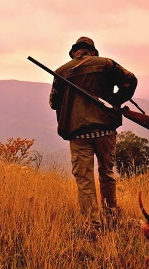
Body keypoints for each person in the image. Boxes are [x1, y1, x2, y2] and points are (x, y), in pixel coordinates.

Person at [49, 36, 137, 230]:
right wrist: (115, 100)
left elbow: (54, 103)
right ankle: (111, 216)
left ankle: (92, 225)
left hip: (79, 135)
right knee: (107, 173)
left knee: (85, 180)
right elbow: (130, 80)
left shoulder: (61, 72)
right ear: (93, 51)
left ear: (74, 52)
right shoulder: (105, 64)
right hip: (106, 130)